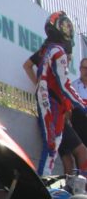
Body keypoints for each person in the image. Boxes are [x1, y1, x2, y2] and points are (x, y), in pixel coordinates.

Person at [30, 11, 87, 176]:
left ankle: (45, 182)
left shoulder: (49, 49)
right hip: (51, 103)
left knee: (53, 147)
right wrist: (82, 105)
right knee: (51, 147)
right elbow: (65, 85)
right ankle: (43, 185)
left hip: (51, 101)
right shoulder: (58, 51)